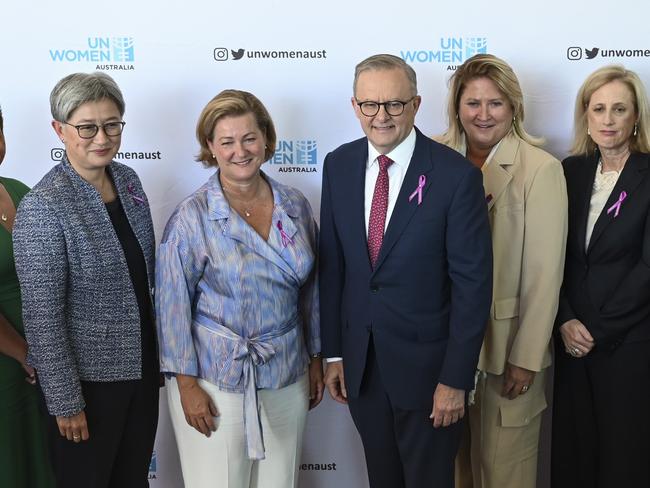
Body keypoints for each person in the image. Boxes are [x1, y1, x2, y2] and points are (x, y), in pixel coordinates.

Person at [319, 53, 493, 488]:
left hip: (430, 377)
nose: (382, 116)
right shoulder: (337, 165)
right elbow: (334, 268)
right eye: (370, 105)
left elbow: (472, 286)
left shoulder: (455, 177)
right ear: (354, 106)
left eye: (394, 104)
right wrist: (335, 353)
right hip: (363, 369)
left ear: (415, 105)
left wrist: (456, 379)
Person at [156, 89, 323, 488]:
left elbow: (312, 290)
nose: (240, 151)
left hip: (287, 373)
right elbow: (171, 306)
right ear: (210, 148)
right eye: (226, 142)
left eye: (249, 138)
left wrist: (316, 356)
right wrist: (186, 384)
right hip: (216, 382)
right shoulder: (191, 217)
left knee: (280, 482)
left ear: (266, 138)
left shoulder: (295, 205)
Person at [12, 72, 159, 488]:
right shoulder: (44, 205)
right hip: (86, 388)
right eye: (87, 127)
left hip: (141, 371)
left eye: (112, 125)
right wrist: (64, 401)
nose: (102, 138)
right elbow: (43, 317)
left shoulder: (128, 180)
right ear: (60, 130)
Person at [436, 54, 568, 488]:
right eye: (473, 103)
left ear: (514, 107)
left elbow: (544, 276)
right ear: (457, 106)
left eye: (495, 103)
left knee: (503, 474)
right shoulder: (432, 160)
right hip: (443, 349)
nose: (483, 114)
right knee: (454, 473)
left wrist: (527, 358)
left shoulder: (540, 168)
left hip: (505, 349)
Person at [552, 65, 650, 487]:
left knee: (624, 460)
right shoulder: (569, 172)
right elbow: (554, 257)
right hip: (572, 342)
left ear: (635, 118)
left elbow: (648, 267)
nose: (608, 120)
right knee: (575, 457)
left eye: (619, 109)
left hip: (628, 345)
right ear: (586, 116)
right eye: (599, 109)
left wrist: (597, 328)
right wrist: (566, 319)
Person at [0, 107, 55, 487]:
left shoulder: (20, 190)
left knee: (43, 463)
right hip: (8, 366)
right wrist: (24, 353)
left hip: (44, 365)